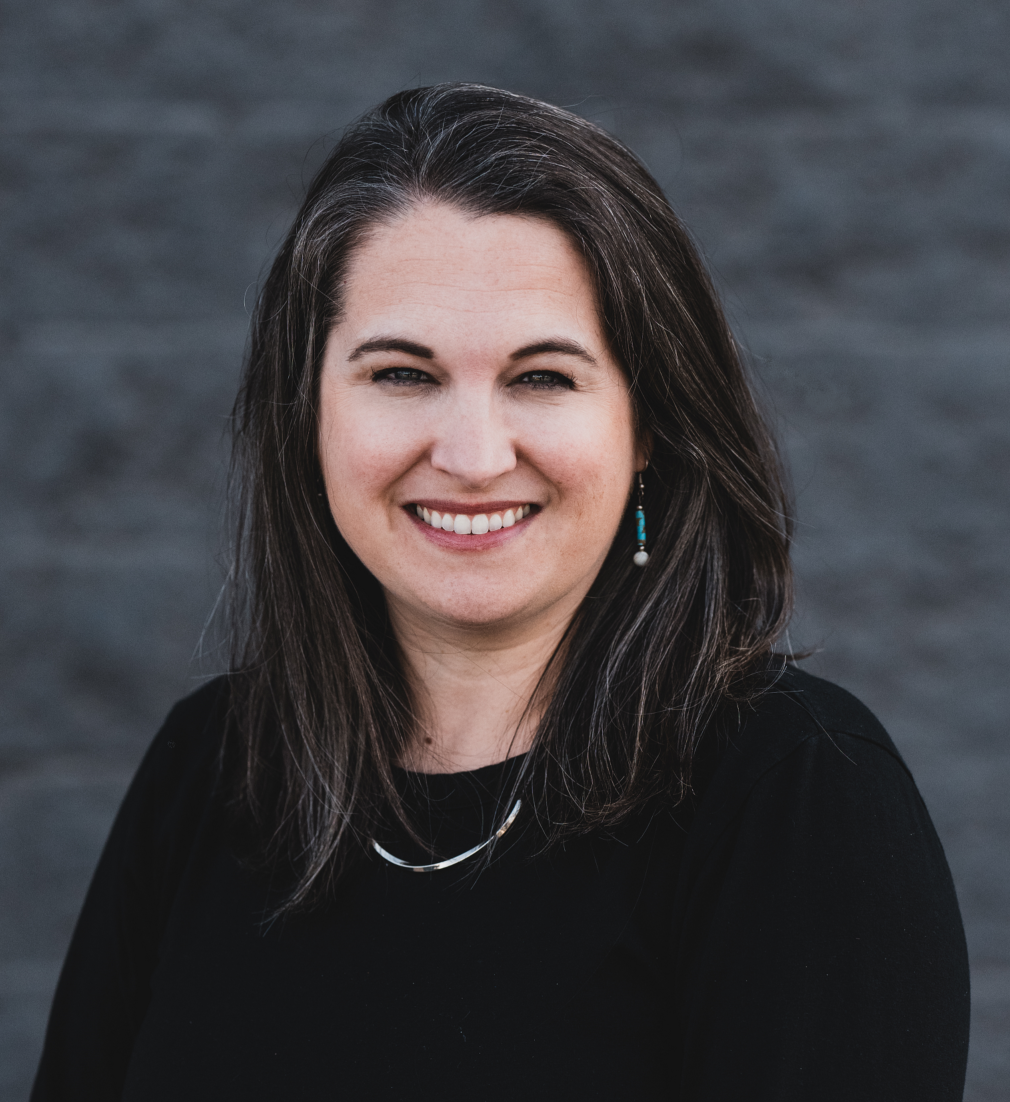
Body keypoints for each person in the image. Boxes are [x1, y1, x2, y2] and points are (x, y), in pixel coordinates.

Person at [32, 84, 969, 1101]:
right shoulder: (210, 769)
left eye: (541, 378)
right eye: (401, 374)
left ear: (645, 426)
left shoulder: (792, 797)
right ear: (308, 410)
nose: (473, 455)